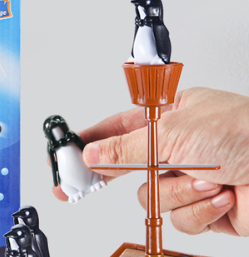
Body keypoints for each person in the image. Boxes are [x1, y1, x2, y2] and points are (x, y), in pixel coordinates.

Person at [52, 88, 249, 236]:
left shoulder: (71, 139)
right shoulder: (54, 147)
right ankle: (79, 189)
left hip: (91, 174)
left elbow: (80, 146)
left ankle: (93, 182)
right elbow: (55, 168)